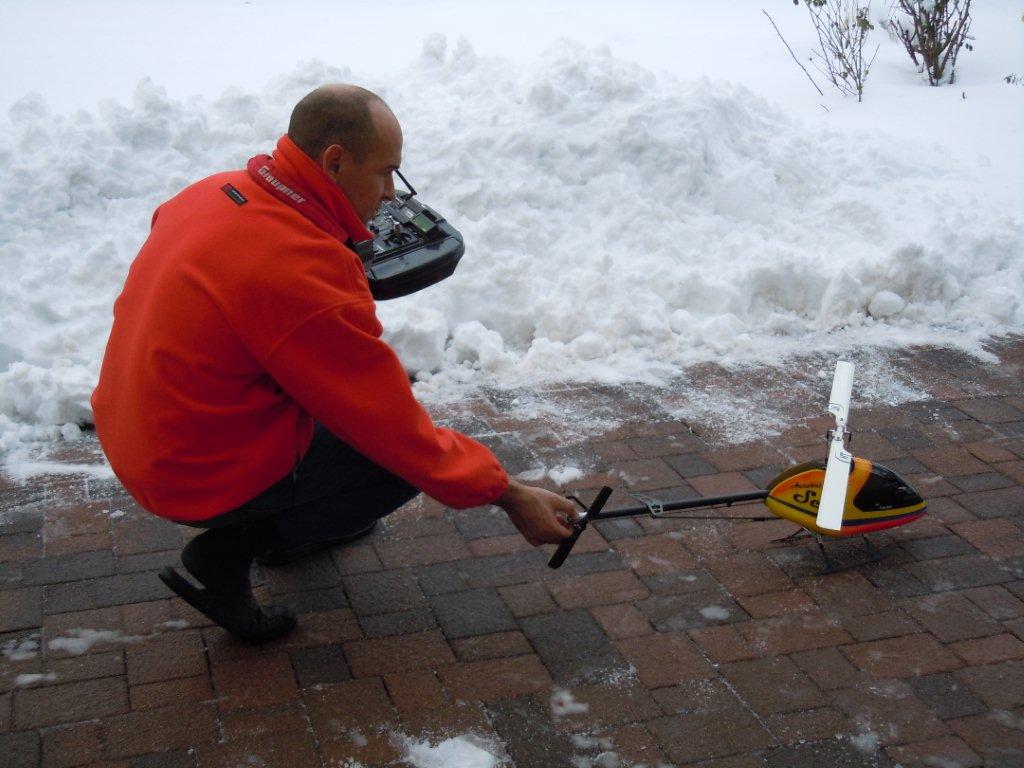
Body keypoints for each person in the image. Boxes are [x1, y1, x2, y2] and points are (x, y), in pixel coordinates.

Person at [91, 84, 576, 643]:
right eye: (384, 173)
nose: (391, 194)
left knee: (345, 427)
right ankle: (227, 553)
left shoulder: (213, 193)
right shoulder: (301, 269)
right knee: (393, 466)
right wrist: (509, 495)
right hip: (192, 470)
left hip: (135, 425)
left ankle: (284, 526)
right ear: (336, 161)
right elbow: (392, 429)